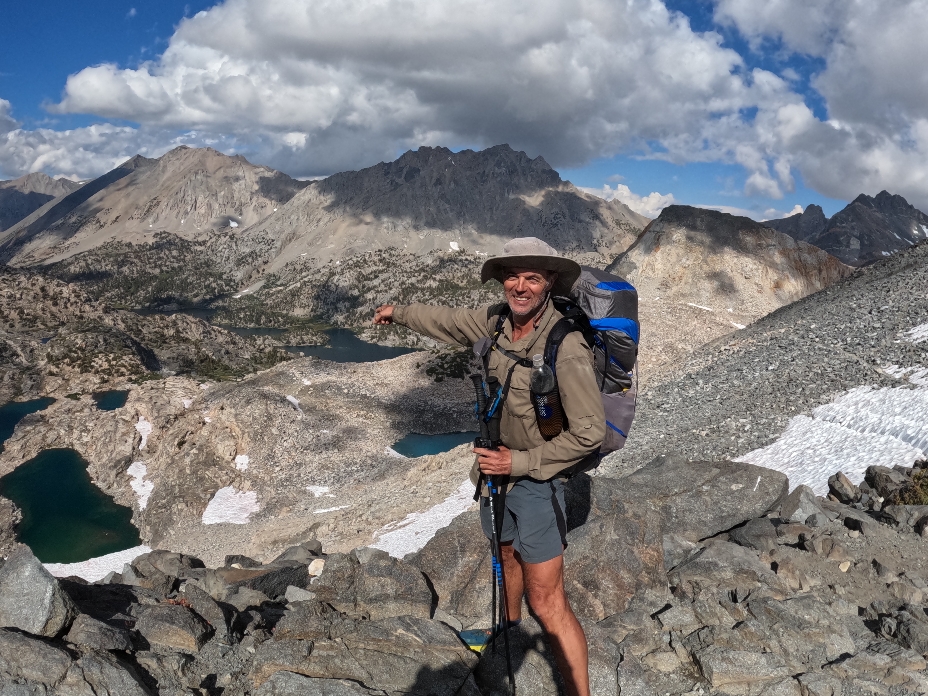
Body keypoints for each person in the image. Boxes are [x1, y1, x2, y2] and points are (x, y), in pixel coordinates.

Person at [373, 237, 605, 696]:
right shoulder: (493, 323)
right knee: (504, 553)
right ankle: (508, 634)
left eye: (532, 277)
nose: (520, 286)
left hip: (538, 480)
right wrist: (397, 312)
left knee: (547, 599)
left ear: (549, 282)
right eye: (512, 276)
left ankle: (579, 692)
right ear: (502, 280)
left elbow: (589, 433)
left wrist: (518, 461)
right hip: (494, 476)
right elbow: (445, 320)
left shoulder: (567, 345)